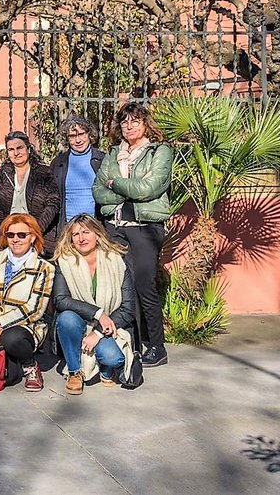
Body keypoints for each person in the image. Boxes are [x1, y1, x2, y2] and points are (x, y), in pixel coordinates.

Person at [94, 102, 174, 368]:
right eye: (125, 122)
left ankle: (156, 346)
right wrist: (126, 187)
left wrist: (114, 183)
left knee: (144, 285)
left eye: (135, 121)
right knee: (121, 287)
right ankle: (133, 343)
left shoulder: (158, 152)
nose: (129, 127)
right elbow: (98, 190)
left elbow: (149, 189)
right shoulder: (113, 153)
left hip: (145, 228)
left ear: (145, 124)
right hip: (115, 227)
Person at [52, 216, 137, 394]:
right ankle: (75, 372)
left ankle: (106, 369)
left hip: (111, 326)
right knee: (66, 318)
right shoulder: (64, 262)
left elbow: (128, 308)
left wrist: (97, 333)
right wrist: (98, 314)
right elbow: (61, 300)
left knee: (112, 357)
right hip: (80, 323)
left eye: (85, 232)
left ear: (97, 234)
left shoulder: (116, 260)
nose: (81, 238)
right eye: (75, 234)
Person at [0, 214, 56, 392]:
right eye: (10, 235)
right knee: (3, 376)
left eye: (22, 235)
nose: (15, 239)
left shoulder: (44, 268)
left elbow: (34, 309)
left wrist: (0, 324)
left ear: (33, 237)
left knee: (12, 338)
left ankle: (30, 365)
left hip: (25, 327)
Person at [0, 131, 60, 250]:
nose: (16, 153)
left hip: (40, 236)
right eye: (11, 150)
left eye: (19, 148)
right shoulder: (2, 174)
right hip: (11, 238)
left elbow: (53, 204)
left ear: (28, 149)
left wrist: (35, 230)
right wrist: (7, 228)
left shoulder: (44, 173)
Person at [51, 115, 106, 227]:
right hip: (68, 226)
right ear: (67, 139)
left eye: (81, 134)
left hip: (96, 226)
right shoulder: (58, 163)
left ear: (89, 134)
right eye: (72, 136)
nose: (78, 140)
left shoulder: (103, 160)